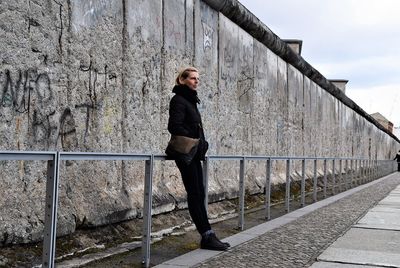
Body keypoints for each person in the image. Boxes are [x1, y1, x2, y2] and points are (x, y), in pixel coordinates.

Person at [167, 67, 230, 251]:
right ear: (182, 80)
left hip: (193, 154)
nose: (196, 81)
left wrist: (202, 143)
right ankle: (207, 236)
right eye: (193, 78)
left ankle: (208, 235)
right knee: (195, 194)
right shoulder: (178, 100)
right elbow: (174, 126)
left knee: (199, 194)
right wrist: (196, 141)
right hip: (186, 154)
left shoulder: (190, 100)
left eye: (197, 79)